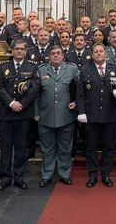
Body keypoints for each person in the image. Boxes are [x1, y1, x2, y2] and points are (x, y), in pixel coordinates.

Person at [76, 43, 116, 188]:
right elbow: (80, 95)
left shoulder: (115, 69)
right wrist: (81, 112)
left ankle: (106, 174)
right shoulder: (85, 70)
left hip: (110, 116)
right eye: (96, 51)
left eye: (101, 51)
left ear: (105, 53)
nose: (98, 53)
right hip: (91, 116)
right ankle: (92, 174)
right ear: (92, 54)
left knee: (109, 147)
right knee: (91, 147)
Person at [0, 40, 39, 191]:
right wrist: (11, 103)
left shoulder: (32, 67)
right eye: (17, 49)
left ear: (26, 51)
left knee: (21, 148)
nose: (19, 51)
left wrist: (23, 104)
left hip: (23, 114)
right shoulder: (3, 67)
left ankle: (19, 177)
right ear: (12, 50)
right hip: (6, 113)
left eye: (22, 49)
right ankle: (5, 178)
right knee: (6, 148)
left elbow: (34, 88)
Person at [36, 47, 79, 187]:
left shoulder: (72, 70)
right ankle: (47, 175)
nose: (56, 56)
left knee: (65, 148)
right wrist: (35, 112)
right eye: (53, 54)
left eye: (58, 54)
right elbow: (35, 94)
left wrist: (76, 102)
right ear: (49, 56)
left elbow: (80, 89)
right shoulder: (41, 70)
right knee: (47, 149)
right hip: (45, 115)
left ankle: (64, 174)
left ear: (63, 56)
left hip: (66, 115)